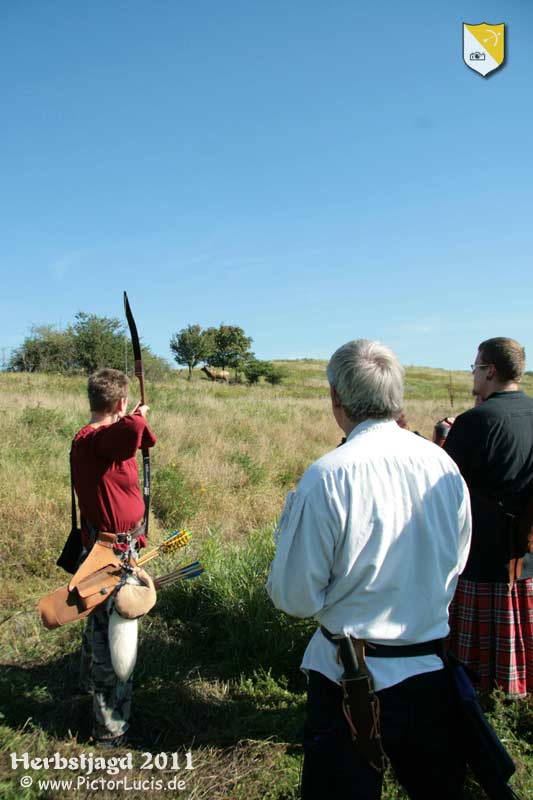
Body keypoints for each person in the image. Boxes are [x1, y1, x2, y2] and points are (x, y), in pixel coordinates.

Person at [267, 339, 471, 800]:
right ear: (396, 398)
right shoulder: (444, 465)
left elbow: (294, 598)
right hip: (430, 673)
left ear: (336, 400)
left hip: (347, 682)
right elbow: (456, 561)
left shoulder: (329, 474)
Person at [71, 368, 156, 744]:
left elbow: (142, 437)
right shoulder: (96, 440)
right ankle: (110, 729)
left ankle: (86, 689)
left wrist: (137, 416)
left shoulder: (102, 440)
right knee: (114, 641)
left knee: (100, 627)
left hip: (114, 549)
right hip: (110, 555)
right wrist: (137, 415)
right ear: (118, 403)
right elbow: (134, 432)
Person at [444, 337, 533, 697]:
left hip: (483, 551)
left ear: (491, 371)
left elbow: (445, 487)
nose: (474, 375)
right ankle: (518, 686)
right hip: (527, 551)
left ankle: (484, 688)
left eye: (476, 367)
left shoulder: (474, 421)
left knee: (474, 659)